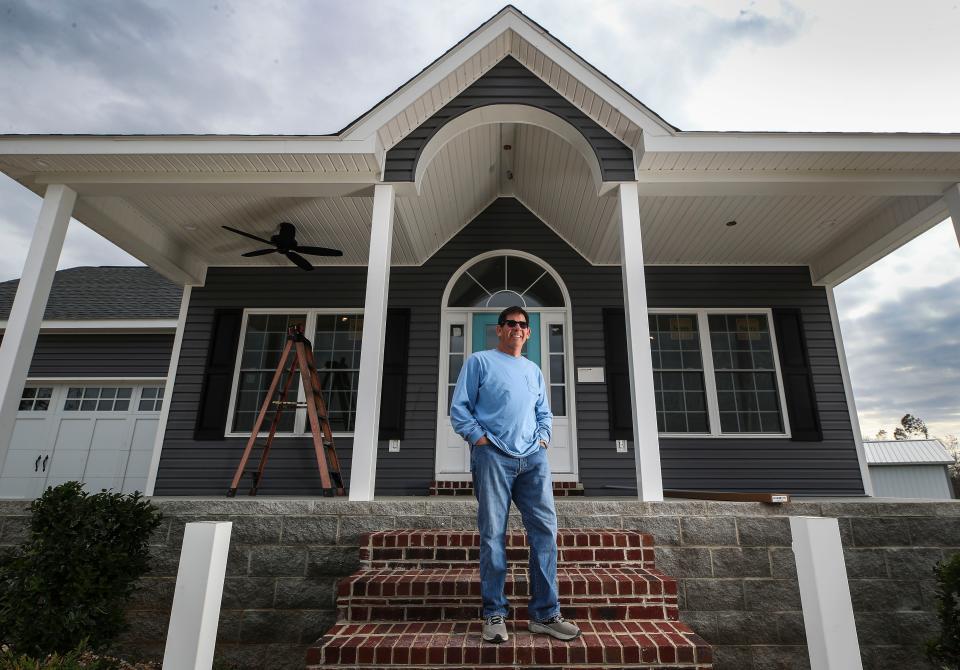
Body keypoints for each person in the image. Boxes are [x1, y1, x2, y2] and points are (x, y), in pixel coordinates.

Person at [450, 306, 581, 644]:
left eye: (522, 325)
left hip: (532, 460)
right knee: (493, 534)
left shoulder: (533, 370)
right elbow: (459, 408)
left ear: (528, 333)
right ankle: (494, 613)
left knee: (545, 532)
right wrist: (480, 440)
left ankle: (545, 614)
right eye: (510, 324)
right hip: (492, 456)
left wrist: (543, 439)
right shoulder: (479, 362)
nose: (517, 329)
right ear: (499, 329)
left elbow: (544, 412)